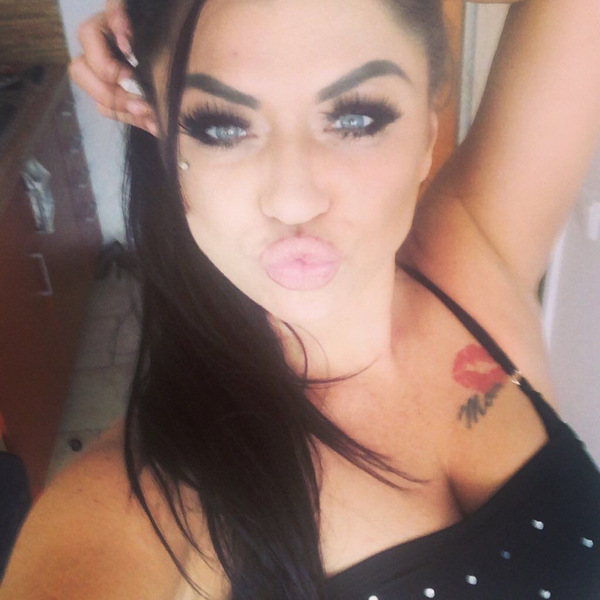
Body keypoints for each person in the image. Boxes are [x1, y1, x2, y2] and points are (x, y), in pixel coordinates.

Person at [2, 0, 600, 598]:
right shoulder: (152, 492)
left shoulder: (475, 255)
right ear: (162, 144)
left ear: (426, 130)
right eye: (222, 127)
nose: (293, 201)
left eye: (357, 118)